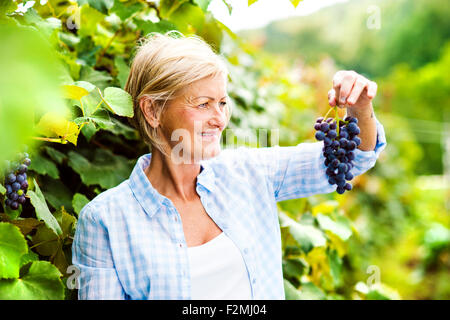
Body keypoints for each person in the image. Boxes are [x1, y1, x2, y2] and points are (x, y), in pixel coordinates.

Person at [72, 31, 387, 300]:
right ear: (152, 110)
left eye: (222, 103)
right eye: (203, 104)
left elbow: (352, 158)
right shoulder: (105, 222)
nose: (220, 119)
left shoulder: (249, 173)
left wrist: (360, 106)